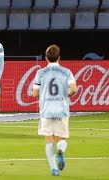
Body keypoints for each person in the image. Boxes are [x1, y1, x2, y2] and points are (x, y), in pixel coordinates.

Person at [32, 44, 78, 176]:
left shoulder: (40, 73)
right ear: (59, 58)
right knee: (62, 138)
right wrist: (66, 94)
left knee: (49, 139)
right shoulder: (67, 72)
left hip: (46, 110)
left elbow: (35, 93)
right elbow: (74, 89)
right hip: (61, 109)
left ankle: (54, 169)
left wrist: (44, 94)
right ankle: (61, 150)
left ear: (46, 58)